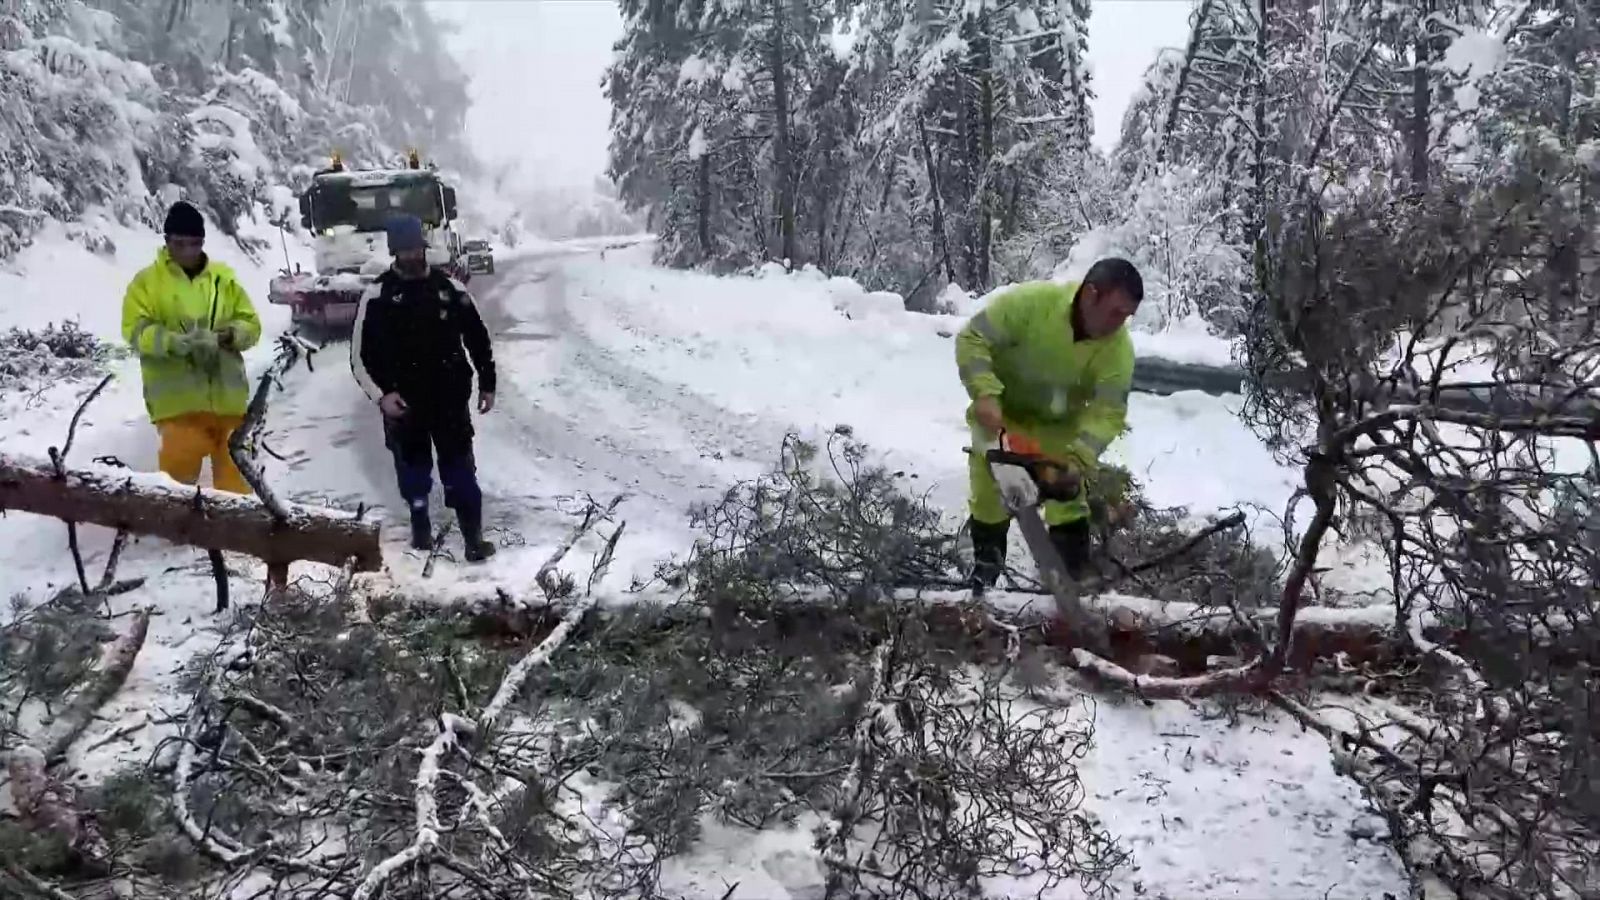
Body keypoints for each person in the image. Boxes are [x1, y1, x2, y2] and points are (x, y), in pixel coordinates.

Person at [954, 258, 1142, 592]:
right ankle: (982, 581)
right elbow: (972, 337)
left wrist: (1080, 458)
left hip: (1057, 432)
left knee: (1068, 500)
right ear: (1090, 294)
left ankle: (1072, 581)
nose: (1119, 324)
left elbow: (1107, 412)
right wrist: (984, 392)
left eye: (1127, 316)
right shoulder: (1031, 305)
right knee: (990, 497)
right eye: (1115, 312)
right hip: (999, 415)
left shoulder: (1118, 351)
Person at [351, 214, 498, 562]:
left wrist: (487, 383)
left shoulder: (449, 289)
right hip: (404, 407)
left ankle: (473, 539)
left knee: (461, 473)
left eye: (417, 248)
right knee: (414, 476)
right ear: (394, 252)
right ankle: (420, 529)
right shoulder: (377, 296)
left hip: (450, 402)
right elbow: (359, 357)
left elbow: (478, 339)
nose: (413, 256)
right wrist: (382, 396)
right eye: (405, 250)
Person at [121, 200, 262, 495]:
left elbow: (251, 325)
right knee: (177, 493)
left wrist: (228, 336)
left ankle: (238, 539)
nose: (187, 251)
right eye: (179, 244)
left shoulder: (224, 280)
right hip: (179, 409)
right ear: (167, 242)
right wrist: (174, 343)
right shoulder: (146, 284)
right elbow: (135, 331)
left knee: (238, 492)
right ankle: (179, 538)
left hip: (229, 404)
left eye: (194, 244)